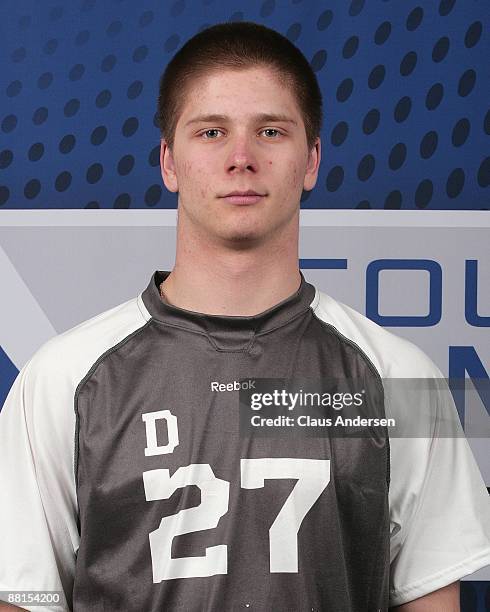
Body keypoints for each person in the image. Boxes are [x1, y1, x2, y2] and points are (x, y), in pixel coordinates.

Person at [0, 20, 489, 612]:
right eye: (210, 132)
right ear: (169, 162)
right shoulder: (63, 378)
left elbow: (430, 600)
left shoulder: (395, 377)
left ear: (311, 160)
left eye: (271, 131)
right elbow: (23, 599)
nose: (241, 158)